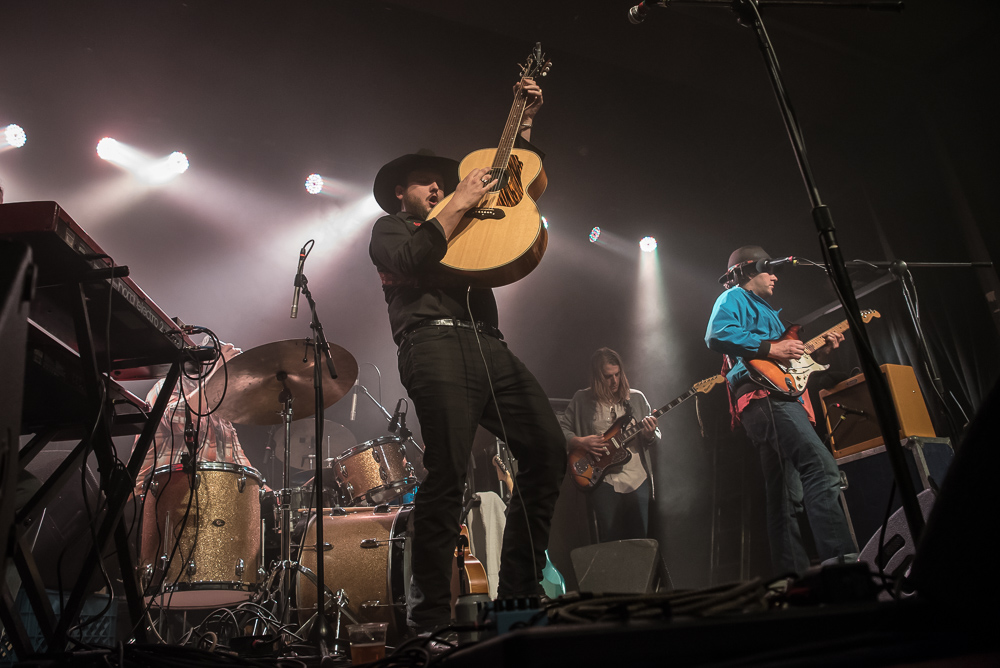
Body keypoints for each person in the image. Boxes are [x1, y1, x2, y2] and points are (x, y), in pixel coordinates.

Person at [369, 78, 566, 632]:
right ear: (400, 193)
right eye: (424, 181)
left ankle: (518, 595)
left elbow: (514, 184)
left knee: (548, 451)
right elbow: (413, 259)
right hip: (432, 342)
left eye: (443, 180)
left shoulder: (467, 228)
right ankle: (429, 616)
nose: (438, 186)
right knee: (449, 471)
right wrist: (457, 200)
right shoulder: (389, 229)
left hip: (488, 344)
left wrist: (524, 120)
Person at [705, 245, 856, 576]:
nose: (775, 276)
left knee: (785, 496)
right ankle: (843, 565)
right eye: (768, 270)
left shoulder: (770, 313)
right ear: (748, 271)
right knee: (821, 468)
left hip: (774, 400)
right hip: (767, 399)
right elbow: (717, 334)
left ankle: (792, 578)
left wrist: (819, 355)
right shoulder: (734, 297)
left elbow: (788, 364)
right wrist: (772, 348)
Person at [133, 338, 258, 495]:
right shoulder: (170, 385)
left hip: (203, 499)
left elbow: (241, 466)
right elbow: (179, 417)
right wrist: (218, 371)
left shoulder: (221, 414)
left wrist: (269, 494)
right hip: (154, 497)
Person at [560, 348, 660, 542]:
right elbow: (560, 430)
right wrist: (581, 441)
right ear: (597, 377)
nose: (615, 381)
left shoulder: (637, 398)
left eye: (617, 374)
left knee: (640, 543)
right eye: (608, 376)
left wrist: (649, 434)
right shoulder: (582, 399)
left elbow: (654, 436)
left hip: (637, 479)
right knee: (611, 542)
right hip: (603, 480)